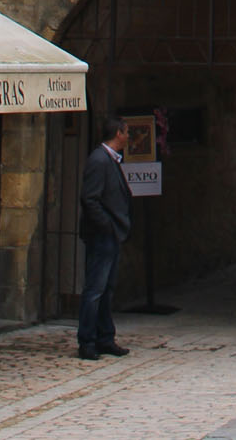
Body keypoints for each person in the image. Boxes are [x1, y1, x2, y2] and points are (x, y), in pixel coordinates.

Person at [76, 115, 133, 360]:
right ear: (118, 133)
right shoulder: (99, 161)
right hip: (102, 236)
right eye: (127, 132)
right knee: (95, 289)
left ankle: (105, 337)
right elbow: (90, 199)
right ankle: (87, 340)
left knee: (106, 289)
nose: (129, 136)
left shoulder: (110, 160)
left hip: (111, 235)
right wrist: (107, 226)